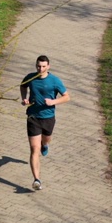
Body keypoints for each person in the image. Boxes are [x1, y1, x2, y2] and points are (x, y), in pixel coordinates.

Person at [20, 55, 70, 190]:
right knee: (34, 149)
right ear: (35, 65)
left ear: (48, 66)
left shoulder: (54, 81)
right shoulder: (30, 77)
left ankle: (45, 144)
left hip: (48, 117)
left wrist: (53, 102)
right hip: (33, 117)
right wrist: (24, 99)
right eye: (38, 66)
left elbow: (67, 97)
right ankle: (36, 180)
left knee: (46, 140)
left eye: (43, 66)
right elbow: (23, 86)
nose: (40, 68)